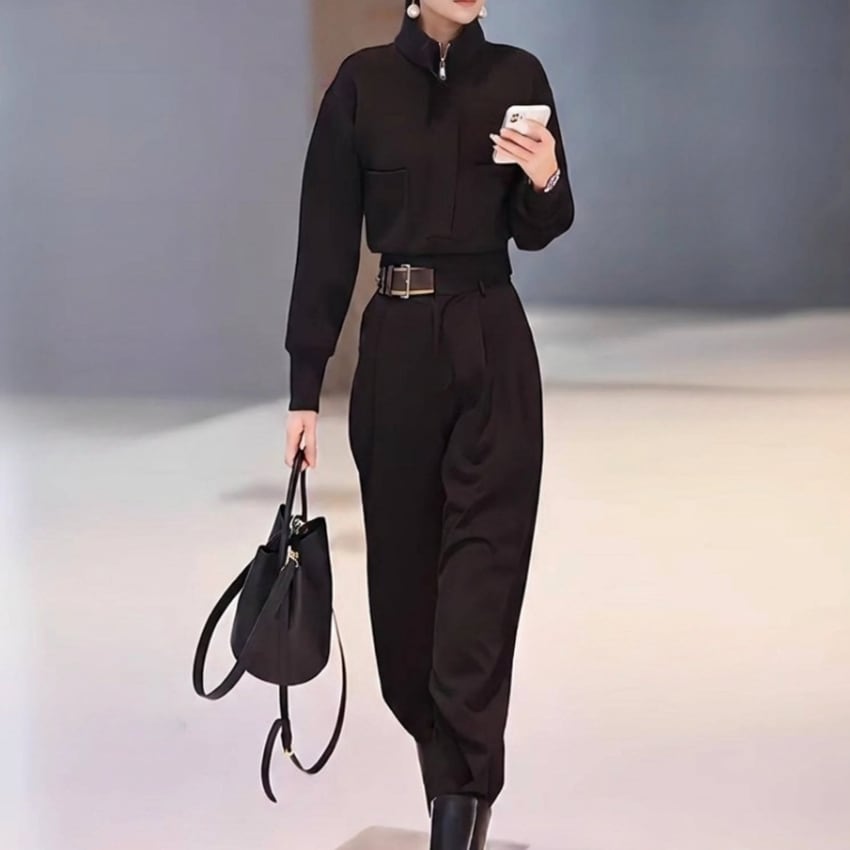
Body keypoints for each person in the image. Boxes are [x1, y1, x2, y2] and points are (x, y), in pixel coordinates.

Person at [283, 1, 574, 847]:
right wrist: (305, 387)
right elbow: (326, 238)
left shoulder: (518, 75)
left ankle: (459, 808)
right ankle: (456, 780)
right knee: (406, 630)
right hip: (398, 352)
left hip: (493, 339)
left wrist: (546, 177)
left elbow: (541, 229)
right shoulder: (363, 84)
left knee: (482, 593)